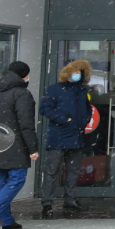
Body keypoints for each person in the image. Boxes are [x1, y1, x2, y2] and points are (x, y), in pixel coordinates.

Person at [0, 62, 38, 229]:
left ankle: (7, 221)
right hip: (16, 143)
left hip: (0, 142)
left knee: (3, 180)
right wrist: (33, 147)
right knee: (17, 180)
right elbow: (26, 124)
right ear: (24, 75)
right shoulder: (22, 94)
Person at [38, 59, 93, 217]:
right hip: (58, 136)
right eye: (74, 72)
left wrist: (85, 120)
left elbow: (87, 108)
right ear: (67, 73)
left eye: (79, 72)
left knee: (73, 171)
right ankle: (47, 203)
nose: (77, 74)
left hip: (76, 135)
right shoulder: (55, 89)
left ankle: (70, 199)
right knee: (52, 171)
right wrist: (64, 120)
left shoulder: (82, 90)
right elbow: (45, 108)